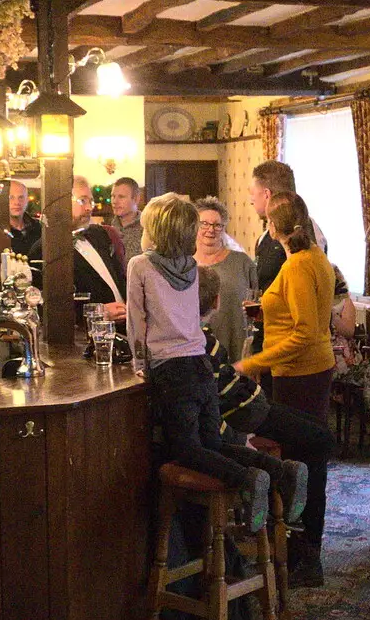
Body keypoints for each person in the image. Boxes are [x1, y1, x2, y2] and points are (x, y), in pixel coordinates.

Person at [126, 194, 303, 532]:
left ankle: (249, 480)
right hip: (200, 364)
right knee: (214, 444)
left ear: (155, 230)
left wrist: (141, 365)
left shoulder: (141, 265)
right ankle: (280, 471)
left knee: (189, 450)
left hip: (171, 369)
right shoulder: (191, 265)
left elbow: (138, 323)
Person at [199, 267, 334, 587]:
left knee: (317, 437)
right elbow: (233, 398)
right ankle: (303, 549)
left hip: (244, 406)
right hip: (241, 414)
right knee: (320, 440)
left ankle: (292, 530)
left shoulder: (196, 336)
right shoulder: (202, 339)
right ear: (217, 302)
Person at [234, 193, 335, 425]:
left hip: (299, 372)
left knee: (298, 449)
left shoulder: (296, 266)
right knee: (309, 445)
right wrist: (265, 311)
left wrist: (252, 363)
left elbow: (305, 333)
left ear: (272, 227)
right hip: (312, 368)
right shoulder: (313, 255)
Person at [193, 196, 258, 362]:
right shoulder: (185, 264)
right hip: (198, 350)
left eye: (217, 225)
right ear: (195, 226)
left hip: (238, 347)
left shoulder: (242, 262)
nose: (211, 229)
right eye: (204, 224)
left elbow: (258, 302)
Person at [248, 160, 326, 294]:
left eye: (253, 193)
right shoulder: (264, 238)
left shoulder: (306, 231)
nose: (251, 200)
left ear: (267, 194)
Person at [72, 175, 127, 322]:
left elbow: (120, 276)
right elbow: (54, 307)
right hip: (90, 335)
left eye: (91, 201)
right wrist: (98, 312)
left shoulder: (99, 234)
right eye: (82, 201)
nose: (89, 207)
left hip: (126, 328)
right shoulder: (46, 249)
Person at [5, 180, 43, 284]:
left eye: (21, 197)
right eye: (11, 197)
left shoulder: (40, 228)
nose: (17, 202)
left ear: (27, 200)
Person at [109, 176, 144, 266]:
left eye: (121, 197)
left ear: (136, 199)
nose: (115, 201)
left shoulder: (147, 228)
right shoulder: (107, 229)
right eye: (113, 196)